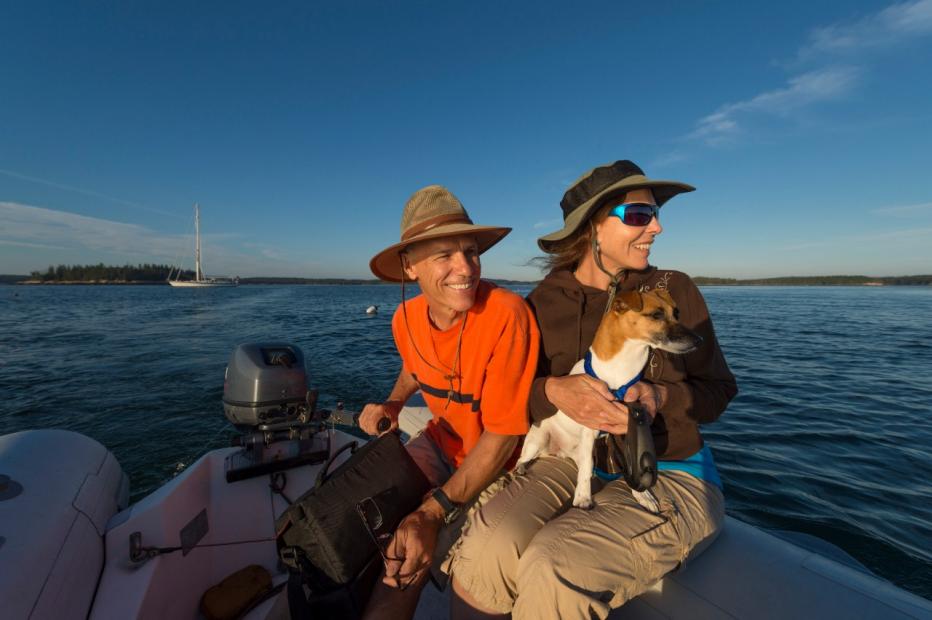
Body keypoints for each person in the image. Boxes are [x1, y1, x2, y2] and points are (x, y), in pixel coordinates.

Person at [448, 160, 738, 619]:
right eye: (640, 215)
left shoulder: (673, 291)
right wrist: (551, 391)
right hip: (568, 460)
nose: (658, 227)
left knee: (552, 566)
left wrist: (660, 398)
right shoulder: (543, 302)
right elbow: (506, 395)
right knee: (486, 547)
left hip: (669, 471)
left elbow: (719, 390)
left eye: (656, 213)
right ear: (592, 229)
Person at [359, 184, 540, 620]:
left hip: (499, 462)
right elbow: (414, 367)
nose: (466, 268)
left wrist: (433, 509)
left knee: (414, 546)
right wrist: (395, 403)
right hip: (442, 443)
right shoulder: (405, 318)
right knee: (360, 518)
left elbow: (503, 435)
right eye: (444, 255)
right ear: (410, 266)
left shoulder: (506, 314)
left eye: (471, 252)